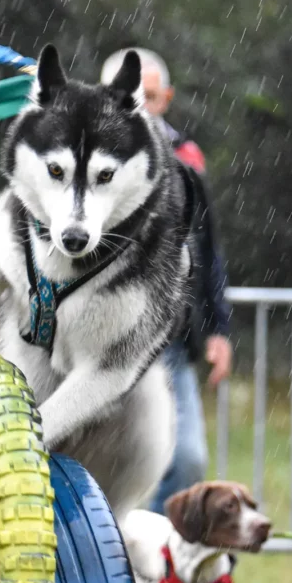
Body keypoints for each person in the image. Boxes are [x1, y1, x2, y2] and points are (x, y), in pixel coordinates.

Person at [100, 47, 232, 513]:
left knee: (187, 459)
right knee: (118, 468)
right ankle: (121, 570)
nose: (141, 108)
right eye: (129, 97)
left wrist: (218, 329)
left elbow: (209, 251)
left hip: (172, 341)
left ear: (167, 99)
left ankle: (159, 565)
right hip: (107, 341)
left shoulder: (186, 161)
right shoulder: (90, 160)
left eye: (150, 97)